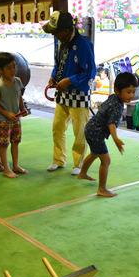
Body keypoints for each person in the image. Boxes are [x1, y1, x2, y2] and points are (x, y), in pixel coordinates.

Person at [43, 11, 96, 175]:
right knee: (57, 128)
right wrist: (53, 78)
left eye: (56, 31)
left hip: (79, 95)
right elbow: (57, 65)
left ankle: (78, 163)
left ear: (66, 29)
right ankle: (58, 159)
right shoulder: (61, 43)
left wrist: (70, 80)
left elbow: (90, 72)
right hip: (62, 94)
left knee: (79, 131)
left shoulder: (83, 44)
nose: (55, 35)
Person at [77, 72, 136, 197]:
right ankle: (102, 189)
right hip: (96, 132)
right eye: (128, 92)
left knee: (94, 153)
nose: (131, 95)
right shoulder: (117, 106)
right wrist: (116, 139)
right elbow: (111, 124)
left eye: (133, 91)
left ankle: (82, 173)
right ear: (117, 90)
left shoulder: (113, 97)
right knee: (106, 160)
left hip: (91, 128)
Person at [0, 52, 28, 178]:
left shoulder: (17, 81)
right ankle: (6, 169)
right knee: (4, 144)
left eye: (14, 66)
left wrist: (23, 109)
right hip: (3, 120)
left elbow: (19, 97)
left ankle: (15, 166)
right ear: (0, 70)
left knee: (16, 142)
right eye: (9, 68)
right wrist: (6, 113)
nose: (13, 70)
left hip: (16, 119)